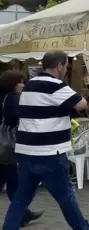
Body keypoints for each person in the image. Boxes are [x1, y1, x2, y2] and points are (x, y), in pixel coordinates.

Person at [3, 51, 89, 230]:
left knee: (21, 198)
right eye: (66, 65)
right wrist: (82, 98)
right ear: (59, 65)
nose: (66, 70)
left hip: (26, 153)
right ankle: (84, 229)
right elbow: (81, 104)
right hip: (50, 153)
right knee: (66, 196)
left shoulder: (30, 84)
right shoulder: (55, 85)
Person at [0, 71, 43, 227]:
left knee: (13, 183)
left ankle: (24, 214)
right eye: (20, 82)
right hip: (5, 148)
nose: (23, 85)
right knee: (11, 182)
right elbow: (11, 119)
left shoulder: (5, 96)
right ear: (12, 83)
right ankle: (23, 214)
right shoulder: (11, 97)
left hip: (5, 150)